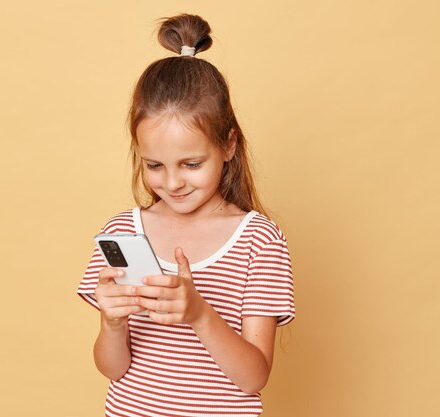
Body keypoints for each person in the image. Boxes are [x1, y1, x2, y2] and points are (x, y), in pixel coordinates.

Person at [77, 14, 295, 417]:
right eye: (155, 165)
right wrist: (111, 324)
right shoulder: (123, 233)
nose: (173, 182)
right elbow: (113, 369)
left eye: (191, 164)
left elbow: (253, 378)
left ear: (229, 145)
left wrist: (198, 312)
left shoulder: (259, 241)